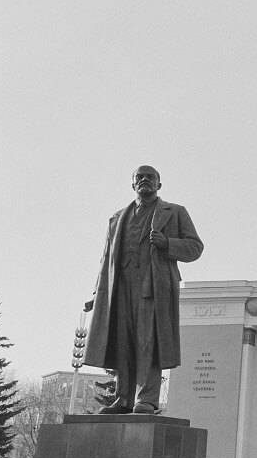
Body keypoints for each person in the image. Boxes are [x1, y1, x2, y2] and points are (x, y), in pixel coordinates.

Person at [84, 165, 204, 415]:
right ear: (132, 184)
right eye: (140, 177)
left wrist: (167, 243)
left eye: (151, 177)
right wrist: (97, 294)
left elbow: (195, 248)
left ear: (159, 184)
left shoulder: (175, 212)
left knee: (148, 342)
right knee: (122, 341)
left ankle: (147, 399)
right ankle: (123, 398)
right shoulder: (117, 218)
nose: (145, 180)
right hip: (120, 288)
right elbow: (105, 259)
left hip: (153, 289)